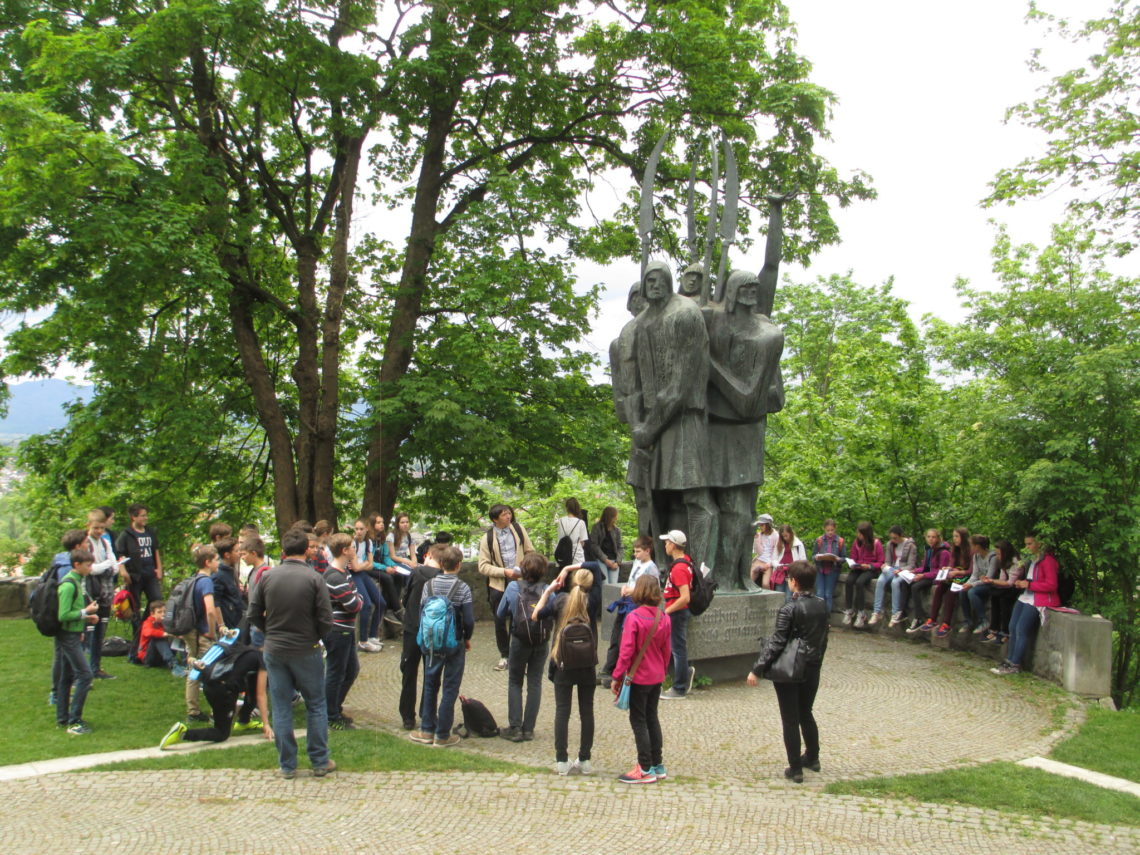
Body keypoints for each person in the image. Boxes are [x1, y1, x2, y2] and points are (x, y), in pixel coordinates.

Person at [247, 528, 335, 779]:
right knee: (316, 704)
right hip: (306, 648)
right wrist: (315, 635)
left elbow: (252, 613)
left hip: (275, 648)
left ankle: (287, 765)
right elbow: (326, 619)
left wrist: (269, 631)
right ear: (307, 551)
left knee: (282, 706)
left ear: (283, 551)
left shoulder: (267, 577)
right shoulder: (314, 578)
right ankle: (319, 760)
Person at [746, 560, 830, 783]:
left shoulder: (789, 608)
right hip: (812, 666)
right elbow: (823, 639)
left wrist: (757, 669)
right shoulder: (822, 604)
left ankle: (795, 767)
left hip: (791, 669)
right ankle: (812, 757)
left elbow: (777, 642)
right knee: (806, 713)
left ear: (793, 582)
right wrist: (818, 661)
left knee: (790, 719)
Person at [533, 567, 597, 775]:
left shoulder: (560, 600)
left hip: (563, 662)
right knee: (586, 711)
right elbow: (595, 567)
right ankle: (585, 759)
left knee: (563, 711)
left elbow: (536, 615)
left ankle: (561, 759)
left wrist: (548, 590)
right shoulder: (592, 601)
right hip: (586, 663)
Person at [611, 574, 672, 784]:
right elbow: (667, 651)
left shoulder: (634, 617)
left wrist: (617, 676)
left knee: (639, 721)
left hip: (639, 677)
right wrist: (662, 672)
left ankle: (645, 768)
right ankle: (657, 764)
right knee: (652, 718)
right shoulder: (664, 617)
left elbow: (626, 652)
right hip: (656, 676)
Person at [411, 545, 473, 748]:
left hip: (431, 643)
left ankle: (427, 730)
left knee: (430, 685)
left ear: (441, 563)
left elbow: (421, 611)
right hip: (454, 641)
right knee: (450, 687)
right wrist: (467, 638)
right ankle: (443, 734)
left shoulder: (429, 586)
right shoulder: (462, 588)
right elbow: (469, 619)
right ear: (459, 565)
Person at [160, 639, 273, 748]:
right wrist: (266, 724)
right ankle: (183, 732)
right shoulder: (262, 660)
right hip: (223, 691)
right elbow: (261, 694)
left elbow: (253, 691)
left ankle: (244, 721)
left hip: (209, 685)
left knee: (248, 688)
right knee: (221, 733)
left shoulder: (246, 651)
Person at [496, 552, 551, 741]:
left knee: (515, 681)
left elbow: (500, 612)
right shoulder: (548, 590)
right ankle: (529, 729)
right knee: (535, 682)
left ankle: (515, 727)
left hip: (519, 639)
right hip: (541, 640)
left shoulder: (513, 587)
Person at [477, 503, 536, 671]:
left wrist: (525, 568)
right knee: (500, 620)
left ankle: (520, 655)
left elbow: (530, 551)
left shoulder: (518, 529)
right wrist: (505, 572)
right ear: (495, 519)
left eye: (509, 513)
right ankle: (504, 655)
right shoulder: (487, 538)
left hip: (521, 582)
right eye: (504, 515)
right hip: (499, 585)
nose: (508, 517)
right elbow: (483, 566)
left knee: (521, 619)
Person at [991, 533, 1060, 676]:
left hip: (1039, 599)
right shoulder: (1032, 560)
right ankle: (1009, 660)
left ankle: (1015, 663)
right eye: (1026, 544)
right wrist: (1021, 583)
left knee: (1021, 629)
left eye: (1030, 544)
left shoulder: (1048, 561)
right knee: (1012, 626)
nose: (1027, 547)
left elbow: (1051, 585)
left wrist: (1029, 584)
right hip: (1026, 596)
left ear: (1039, 544)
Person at [397, 543, 446, 730]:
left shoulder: (416, 573)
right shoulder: (443, 578)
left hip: (412, 626)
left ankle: (407, 716)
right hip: (433, 631)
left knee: (409, 672)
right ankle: (427, 713)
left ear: (427, 556)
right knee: (431, 674)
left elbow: (405, 598)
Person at [600, 535, 659, 685]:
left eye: (638, 551)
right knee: (615, 636)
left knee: (624, 639)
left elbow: (650, 589)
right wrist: (626, 588)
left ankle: (617, 673)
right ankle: (608, 668)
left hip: (636, 605)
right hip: (626, 603)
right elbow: (632, 581)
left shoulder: (651, 568)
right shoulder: (637, 563)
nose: (635, 554)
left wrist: (632, 591)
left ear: (647, 551)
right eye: (634, 551)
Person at [54, 547, 99, 734]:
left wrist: (84, 619)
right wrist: (86, 612)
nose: (90, 569)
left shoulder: (78, 581)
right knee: (85, 674)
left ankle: (63, 718)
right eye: (88, 565)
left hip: (73, 632)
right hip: (67, 636)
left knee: (67, 676)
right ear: (76, 565)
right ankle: (75, 720)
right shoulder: (68, 585)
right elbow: (63, 614)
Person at [321, 533, 363, 730]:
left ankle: (335, 708)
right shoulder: (334, 576)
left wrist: (356, 599)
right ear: (345, 551)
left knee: (351, 670)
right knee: (336, 673)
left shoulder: (344, 572)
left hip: (346, 629)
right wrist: (357, 600)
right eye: (353, 547)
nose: (355, 550)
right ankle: (330, 715)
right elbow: (354, 604)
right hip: (338, 631)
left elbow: (355, 597)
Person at [115, 503, 164, 661]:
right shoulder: (126, 535)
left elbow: (155, 550)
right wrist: (123, 571)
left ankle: (146, 625)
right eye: (142, 515)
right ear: (134, 517)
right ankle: (136, 649)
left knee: (156, 599)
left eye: (146, 515)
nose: (145, 518)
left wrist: (159, 568)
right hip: (135, 576)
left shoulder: (150, 532)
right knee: (134, 608)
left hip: (150, 574)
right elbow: (120, 555)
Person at [185, 544, 224, 722]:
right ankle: (219, 707)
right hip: (201, 633)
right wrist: (210, 631)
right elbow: (210, 610)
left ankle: (192, 709)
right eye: (216, 559)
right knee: (211, 670)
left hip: (190, 631)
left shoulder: (194, 579)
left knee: (194, 668)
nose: (219, 562)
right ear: (207, 562)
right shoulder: (207, 581)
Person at [84, 509, 123, 679]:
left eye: (101, 528)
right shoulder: (86, 543)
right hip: (91, 592)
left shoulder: (105, 543)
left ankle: (96, 667)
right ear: (89, 526)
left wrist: (107, 564)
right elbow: (90, 569)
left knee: (101, 632)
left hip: (105, 592)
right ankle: (85, 670)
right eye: (96, 528)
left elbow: (114, 567)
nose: (99, 531)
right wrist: (106, 564)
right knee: (89, 632)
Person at [659, 530, 694, 700]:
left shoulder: (679, 568)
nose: (665, 545)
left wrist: (667, 611)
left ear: (673, 545)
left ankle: (679, 687)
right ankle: (685, 672)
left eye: (666, 542)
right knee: (677, 647)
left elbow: (685, 597)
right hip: (677, 612)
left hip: (677, 613)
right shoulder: (686, 562)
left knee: (678, 649)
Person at [918, 526, 972, 636]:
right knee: (940, 588)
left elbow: (970, 570)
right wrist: (949, 569)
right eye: (954, 536)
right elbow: (951, 564)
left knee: (951, 593)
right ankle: (932, 619)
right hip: (954, 575)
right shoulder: (954, 550)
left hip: (965, 577)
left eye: (957, 536)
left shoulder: (970, 552)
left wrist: (958, 572)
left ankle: (946, 623)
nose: (955, 539)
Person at [903, 530, 951, 634]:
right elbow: (925, 567)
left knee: (915, 587)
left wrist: (923, 575)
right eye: (929, 537)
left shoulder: (944, 552)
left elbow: (940, 571)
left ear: (938, 538)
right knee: (906, 582)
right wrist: (913, 571)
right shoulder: (929, 550)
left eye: (933, 537)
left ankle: (919, 618)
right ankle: (902, 612)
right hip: (928, 575)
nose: (931, 539)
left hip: (936, 579)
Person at [975, 539, 1022, 643]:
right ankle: (994, 628)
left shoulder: (1016, 562)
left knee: (1005, 601)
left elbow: (1010, 582)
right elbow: (1002, 579)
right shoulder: (1003, 562)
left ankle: (1005, 631)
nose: (997, 556)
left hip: (1015, 587)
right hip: (1007, 586)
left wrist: (992, 580)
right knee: (994, 597)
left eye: (999, 554)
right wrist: (989, 580)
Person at [351, 517, 385, 653]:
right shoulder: (352, 543)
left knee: (381, 602)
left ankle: (372, 635)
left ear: (366, 529)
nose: (358, 532)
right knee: (366, 604)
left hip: (362, 573)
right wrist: (364, 565)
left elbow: (369, 565)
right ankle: (363, 640)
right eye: (356, 529)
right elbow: (355, 568)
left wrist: (363, 565)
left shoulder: (368, 542)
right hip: (353, 575)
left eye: (361, 529)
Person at [873, 526, 917, 627]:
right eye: (891, 538)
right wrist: (885, 566)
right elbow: (888, 561)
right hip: (892, 569)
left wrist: (901, 569)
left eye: (895, 538)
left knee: (895, 583)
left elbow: (911, 564)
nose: (893, 540)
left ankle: (895, 613)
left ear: (901, 536)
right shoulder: (890, 544)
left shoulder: (910, 546)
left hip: (904, 570)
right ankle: (877, 611)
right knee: (880, 581)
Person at [843, 522, 883, 628]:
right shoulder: (856, 543)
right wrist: (853, 564)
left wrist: (869, 566)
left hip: (870, 569)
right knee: (849, 581)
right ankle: (849, 609)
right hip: (858, 567)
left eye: (861, 534)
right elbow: (853, 556)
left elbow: (881, 562)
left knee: (860, 583)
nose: (859, 536)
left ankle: (861, 612)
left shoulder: (876, 544)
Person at [957, 534, 998, 634]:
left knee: (972, 592)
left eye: (971, 545)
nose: (970, 547)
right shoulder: (976, 556)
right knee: (963, 591)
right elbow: (974, 575)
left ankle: (983, 620)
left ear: (977, 546)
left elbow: (989, 577)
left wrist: (972, 585)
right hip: (980, 582)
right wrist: (967, 584)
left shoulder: (993, 557)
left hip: (991, 584)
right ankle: (968, 621)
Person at [811, 519, 846, 613]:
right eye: (828, 530)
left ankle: (826, 618)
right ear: (824, 529)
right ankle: (819, 617)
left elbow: (844, 558)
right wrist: (817, 557)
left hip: (832, 570)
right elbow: (813, 555)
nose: (830, 532)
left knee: (828, 594)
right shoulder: (819, 540)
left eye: (832, 530)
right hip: (820, 569)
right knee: (819, 594)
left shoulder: (840, 541)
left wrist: (838, 559)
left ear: (835, 529)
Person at [212, 537, 245, 632]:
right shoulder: (218, 575)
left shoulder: (230, 571)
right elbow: (215, 603)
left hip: (236, 623)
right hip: (228, 629)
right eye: (236, 551)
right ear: (227, 555)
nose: (240, 553)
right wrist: (221, 626)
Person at [138, 600, 177, 671]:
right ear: (152, 614)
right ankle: (173, 664)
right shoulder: (148, 622)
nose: (163, 614)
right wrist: (163, 634)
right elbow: (148, 632)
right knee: (157, 637)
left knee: (177, 637)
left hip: (160, 656)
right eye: (159, 612)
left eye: (164, 612)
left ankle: (185, 662)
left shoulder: (164, 623)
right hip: (148, 657)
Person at [771, 524, 807, 601]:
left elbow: (803, 560)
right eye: (783, 536)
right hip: (780, 573)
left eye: (786, 535)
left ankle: (788, 612)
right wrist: (778, 565)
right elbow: (773, 559)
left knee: (789, 597)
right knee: (778, 595)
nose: (785, 538)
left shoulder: (798, 544)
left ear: (790, 533)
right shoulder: (779, 543)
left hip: (792, 573)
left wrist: (794, 566)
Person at [589, 506, 623, 585]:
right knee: (605, 584)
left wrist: (617, 562)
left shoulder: (617, 530)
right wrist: (605, 560)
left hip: (614, 561)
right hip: (601, 560)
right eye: (615, 516)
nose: (616, 518)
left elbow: (620, 547)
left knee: (614, 586)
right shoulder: (597, 528)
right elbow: (594, 545)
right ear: (610, 516)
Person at [556, 498, 588, 568]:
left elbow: (559, 537)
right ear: (577, 508)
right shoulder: (581, 522)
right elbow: (582, 542)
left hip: (563, 555)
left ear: (567, 508)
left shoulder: (560, 521)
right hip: (577, 557)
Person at [750, 514, 779, 587]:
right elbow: (759, 552)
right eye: (759, 525)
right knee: (750, 580)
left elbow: (777, 553)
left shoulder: (776, 535)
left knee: (765, 584)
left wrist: (769, 564)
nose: (760, 527)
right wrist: (756, 539)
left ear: (768, 525)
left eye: (762, 525)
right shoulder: (760, 535)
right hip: (759, 560)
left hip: (769, 562)